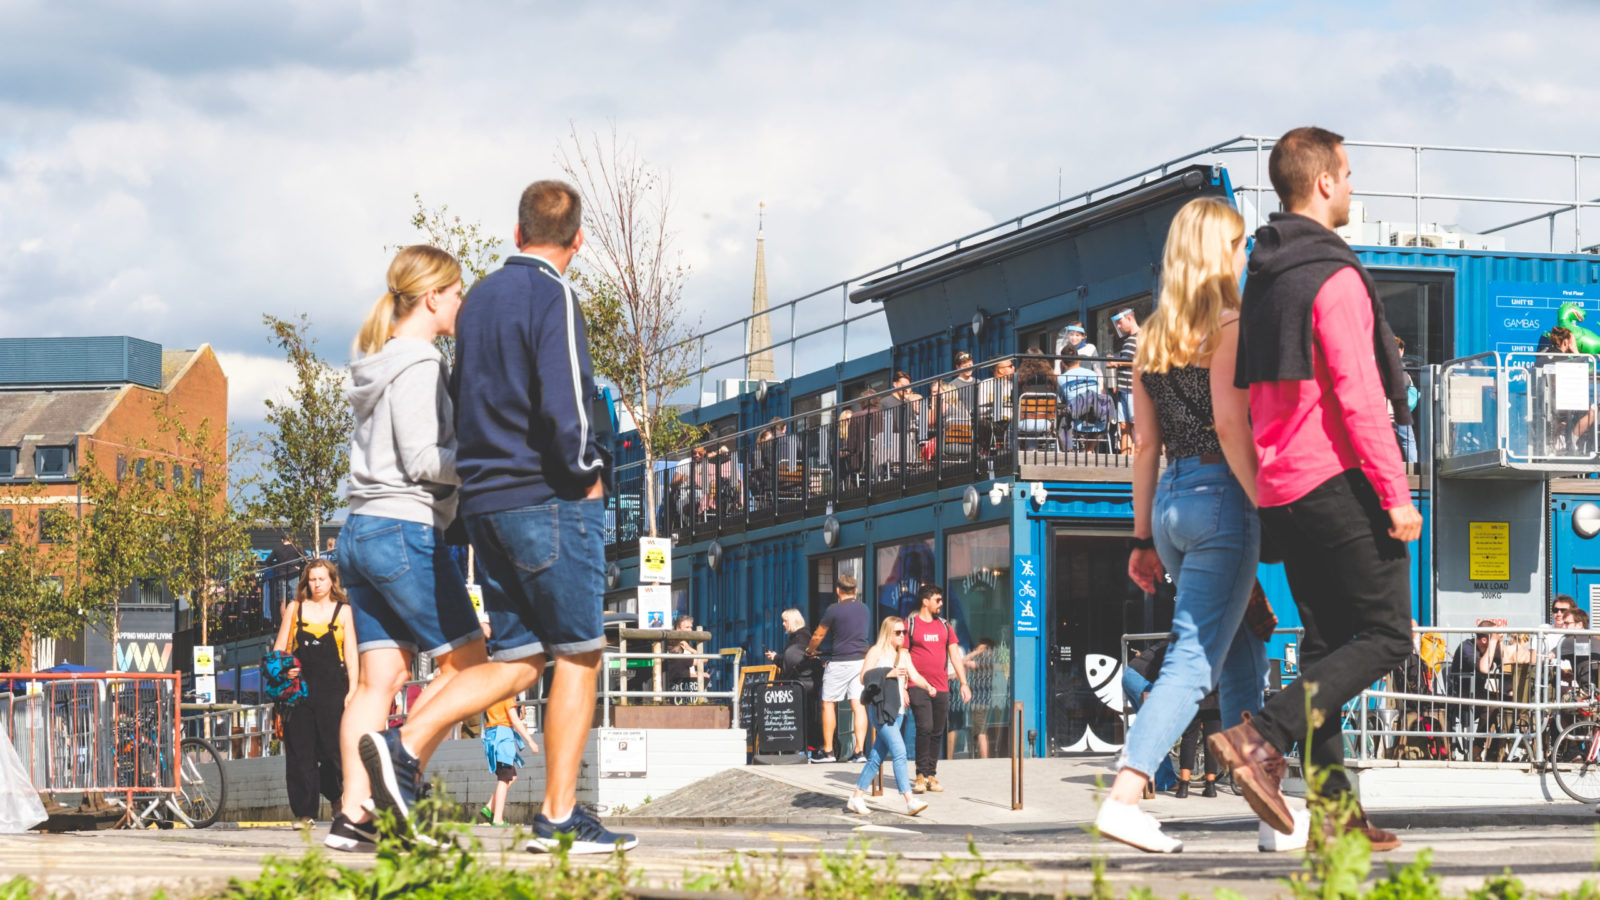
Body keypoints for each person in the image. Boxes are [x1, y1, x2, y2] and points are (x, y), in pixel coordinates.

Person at [358, 179, 637, 855]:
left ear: (516, 234)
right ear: (578, 241)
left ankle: (403, 746)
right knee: (580, 653)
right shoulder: (554, 296)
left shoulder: (477, 300)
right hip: (547, 500)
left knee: (519, 659)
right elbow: (565, 399)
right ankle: (559, 816)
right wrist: (587, 471)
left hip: (484, 507)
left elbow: (460, 394)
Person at [1212, 126, 1422, 853]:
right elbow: (1361, 396)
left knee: (1329, 644)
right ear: (1325, 183)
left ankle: (1333, 816)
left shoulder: (1265, 278)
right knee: (1392, 635)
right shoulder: (1333, 277)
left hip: (1283, 491)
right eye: (1350, 174)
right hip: (1336, 480)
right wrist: (1395, 493)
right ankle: (1259, 736)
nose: (1355, 186)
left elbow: (1249, 403)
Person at [1092, 196, 1267, 854]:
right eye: (1241, 244)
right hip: (1224, 494)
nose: (1247, 254)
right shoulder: (1231, 324)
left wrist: (1141, 537)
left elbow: (1143, 446)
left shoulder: (1154, 338)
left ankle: (1267, 803)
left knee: (1244, 645)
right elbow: (1229, 425)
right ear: (1221, 253)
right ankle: (1127, 794)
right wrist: (1268, 507)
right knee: (1194, 663)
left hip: (1170, 500)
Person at [322, 244, 492, 852]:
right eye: (458, 293)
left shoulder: (377, 362)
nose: (463, 303)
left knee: (378, 683)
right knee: (472, 667)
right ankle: (402, 769)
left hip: (360, 531)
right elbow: (424, 459)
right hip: (405, 531)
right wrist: (487, 463)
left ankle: (353, 813)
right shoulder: (420, 363)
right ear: (432, 297)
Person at [271, 559, 357, 825]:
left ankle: (339, 798)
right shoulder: (295, 609)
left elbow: (351, 654)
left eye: (322, 579)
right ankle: (304, 812)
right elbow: (278, 650)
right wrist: (286, 670)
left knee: (335, 750)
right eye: (312, 579)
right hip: (299, 690)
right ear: (306, 582)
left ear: (332, 580)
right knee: (300, 751)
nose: (317, 584)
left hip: (333, 689)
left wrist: (353, 689)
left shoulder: (344, 611)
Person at [843, 617, 933, 817]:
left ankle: (856, 797)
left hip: (898, 711)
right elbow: (863, 677)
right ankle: (909, 800)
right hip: (881, 710)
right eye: (898, 632)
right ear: (888, 632)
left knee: (875, 758)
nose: (902, 636)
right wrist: (888, 673)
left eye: (904, 632)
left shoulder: (903, 654)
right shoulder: (877, 651)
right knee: (900, 753)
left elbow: (915, 675)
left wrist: (928, 686)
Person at [904, 586, 970, 794]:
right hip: (917, 685)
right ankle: (920, 775)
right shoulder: (911, 625)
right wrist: (903, 686)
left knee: (936, 730)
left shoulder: (945, 626)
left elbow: (955, 656)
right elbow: (903, 656)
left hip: (941, 686)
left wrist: (963, 683)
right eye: (938, 600)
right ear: (926, 601)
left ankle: (931, 774)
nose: (941, 604)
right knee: (924, 726)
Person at [805, 573, 870, 763]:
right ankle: (859, 752)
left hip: (840, 661)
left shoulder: (833, 610)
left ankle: (828, 752)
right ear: (856, 591)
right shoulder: (864, 609)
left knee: (828, 703)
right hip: (860, 661)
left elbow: (818, 635)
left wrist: (810, 651)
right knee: (858, 705)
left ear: (838, 591)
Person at [766, 608, 824, 755]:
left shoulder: (800, 638)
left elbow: (794, 660)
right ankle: (806, 747)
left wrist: (776, 658)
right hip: (804, 683)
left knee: (804, 716)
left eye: (785, 621)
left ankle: (805, 748)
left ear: (792, 621)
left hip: (801, 684)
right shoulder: (801, 636)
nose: (783, 624)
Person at [1109, 309, 1141, 453]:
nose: (1119, 327)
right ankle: (1124, 460)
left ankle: (1137, 460)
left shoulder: (1142, 336)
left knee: (1136, 425)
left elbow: (1143, 362)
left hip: (1134, 388)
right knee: (1123, 426)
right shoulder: (1128, 339)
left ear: (1129, 318)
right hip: (1123, 388)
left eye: (1120, 322)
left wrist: (1118, 363)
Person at [664, 614, 701, 700]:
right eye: (687, 627)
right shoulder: (674, 646)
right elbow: (677, 667)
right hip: (678, 686)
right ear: (678, 628)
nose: (690, 630)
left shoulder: (687, 643)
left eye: (691, 627)